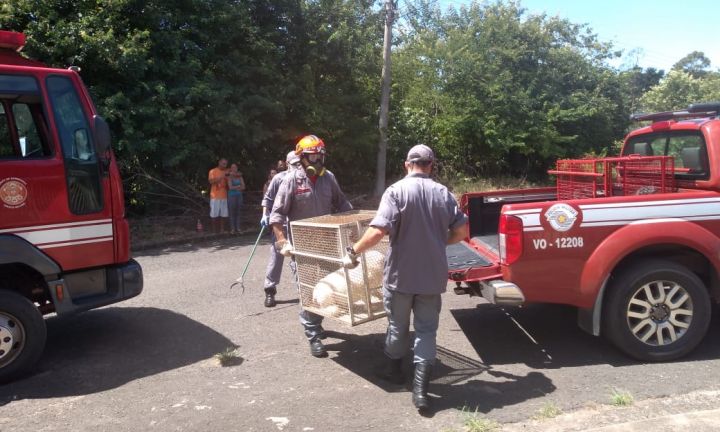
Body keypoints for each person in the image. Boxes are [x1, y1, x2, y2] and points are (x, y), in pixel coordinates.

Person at [342, 144, 467, 412]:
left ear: (406, 164)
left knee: (398, 327)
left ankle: (395, 373)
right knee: (426, 330)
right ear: (431, 165)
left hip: (401, 276)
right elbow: (462, 231)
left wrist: (352, 251)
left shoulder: (396, 191)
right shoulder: (444, 193)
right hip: (432, 276)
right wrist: (438, 242)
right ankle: (421, 392)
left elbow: (377, 232)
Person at [269, 134, 352, 357]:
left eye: (320, 155)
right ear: (302, 158)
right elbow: (276, 216)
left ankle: (315, 321)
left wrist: (354, 224)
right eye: (312, 156)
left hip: (328, 245)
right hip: (302, 248)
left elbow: (342, 203)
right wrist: (282, 241)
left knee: (326, 288)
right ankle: (313, 335)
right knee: (308, 291)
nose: (317, 160)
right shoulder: (290, 180)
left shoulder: (329, 178)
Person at [260, 151, 300, 307]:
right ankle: (270, 290)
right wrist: (265, 215)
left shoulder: (305, 180)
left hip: (298, 226)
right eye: (295, 164)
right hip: (280, 227)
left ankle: (304, 291)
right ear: (287, 163)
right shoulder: (278, 178)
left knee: (299, 260)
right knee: (276, 258)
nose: (298, 167)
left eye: (299, 163)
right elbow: (267, 199)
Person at [208, 158, 229, 233]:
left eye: (226, 164)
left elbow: (237, 173)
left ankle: (222, 230)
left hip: (224, 196)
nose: (224, 165)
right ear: (219, 163)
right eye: (223, 163)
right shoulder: (213, 171)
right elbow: (211, 181)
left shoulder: (227, 171)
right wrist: (221, 177)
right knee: (214, 214)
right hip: (215, 197)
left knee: (223, 214)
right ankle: (214, 231)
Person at [227, 163, 246, 234]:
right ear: (231, 169)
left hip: (239, 195)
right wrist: (238, 187)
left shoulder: (240, 177)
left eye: (235, 167)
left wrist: (236, 187)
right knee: (232, 212)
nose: (234, 169)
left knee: (238, 212)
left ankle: (238, 228)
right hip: (231, 196)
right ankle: (232, 229)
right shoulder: (229, 177)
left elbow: (243, 186)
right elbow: (230, 187)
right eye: (232, 167)